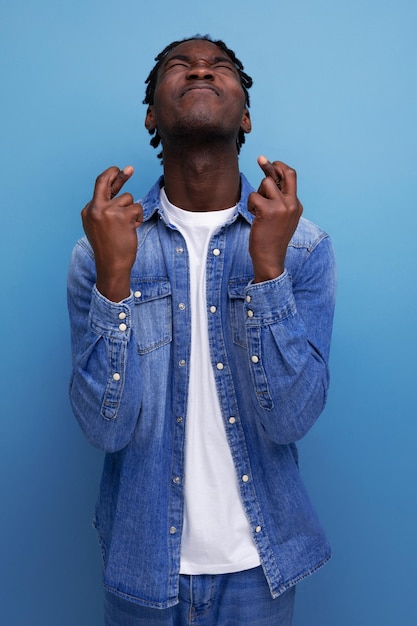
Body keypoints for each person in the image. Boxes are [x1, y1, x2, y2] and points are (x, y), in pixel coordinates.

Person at [67, 34, 336, 626]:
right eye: (179, 67)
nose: (200, 71)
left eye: (219, 67)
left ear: (244, 116)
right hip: (142, 566)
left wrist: (269, 270)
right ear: (151, 116)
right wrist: (115, 275)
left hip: (259, 571)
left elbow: (292, 419)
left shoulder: (304, 247)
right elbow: (103, 428)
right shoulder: (100, 252)